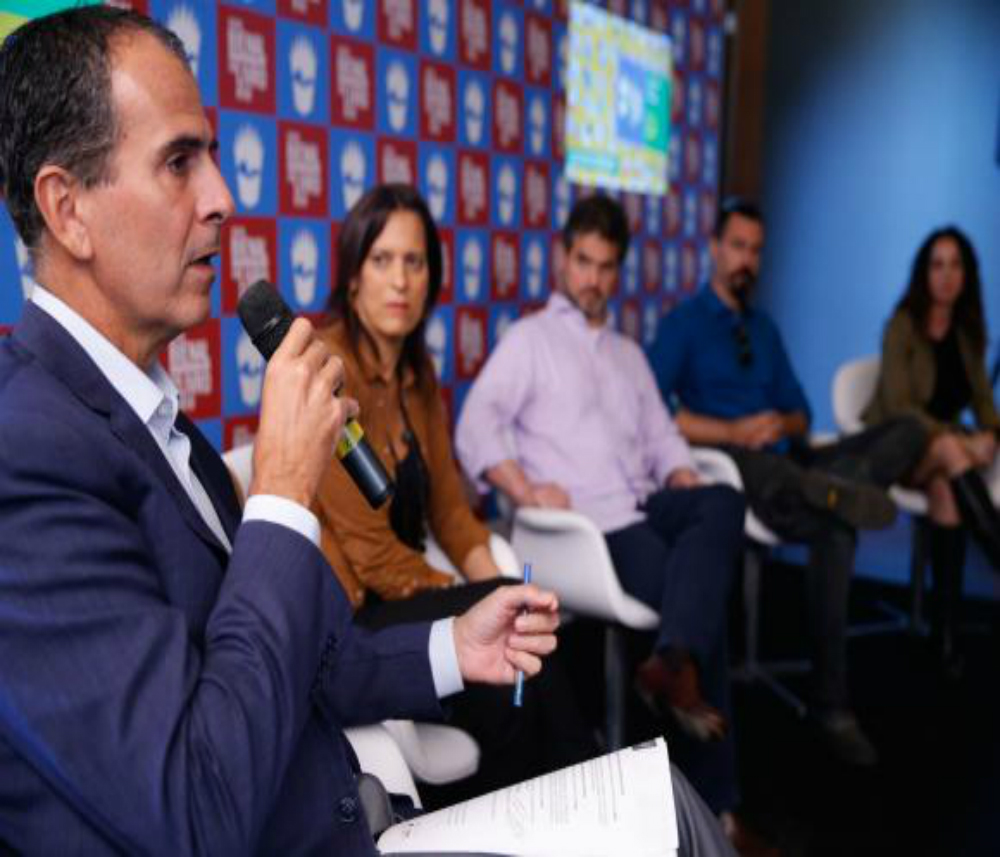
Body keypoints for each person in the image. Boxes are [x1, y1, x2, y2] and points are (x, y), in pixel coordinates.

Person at [0, 9, 736, 857]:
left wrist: (455, 647)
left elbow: (301, 660)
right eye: (178, 162)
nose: (223, 199)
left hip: (360, 804)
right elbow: (198, 808)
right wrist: (280, 492)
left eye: (210, 154)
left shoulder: (159, 423)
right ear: (69, 209)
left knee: (665, 806)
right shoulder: (27, 451)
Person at [456, 194, 768, 855]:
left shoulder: (628, 354)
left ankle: (671, 662)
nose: (593, 277)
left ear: (618, 270)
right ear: (564, 260)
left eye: (606, 266)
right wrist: (523, 484)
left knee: (720, 502)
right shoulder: (531, 340)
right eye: (584, 261)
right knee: (701, 595)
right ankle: (723, 813)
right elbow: (475, 425)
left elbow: (662, 437)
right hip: (588, 530)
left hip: (646, 504)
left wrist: (683, 473)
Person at [313, 182, 599, 799]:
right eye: (382, 260)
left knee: (521, 668)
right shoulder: (327, 370)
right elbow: (369, 555)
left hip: (407, 600)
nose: (400, 281)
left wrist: (503, 588)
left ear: (432, 279)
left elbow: (451, 512)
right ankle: (593, 795)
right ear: (353, 275)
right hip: (354, 616)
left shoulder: (418, 375)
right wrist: (475, 599)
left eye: (414, 263)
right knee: (511, 641)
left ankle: (570, 808)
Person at [648, 198, 927, 767]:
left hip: (793, 460)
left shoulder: (765, 328)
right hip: (734, 467)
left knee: (908, 431)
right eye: (737, 246)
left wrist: (779, 422)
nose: (746, 259)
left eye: (755, 250)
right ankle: (832, 705)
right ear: (714, 248)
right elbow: (652, 411)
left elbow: (801, 412)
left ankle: (838, 484)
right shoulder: (684, 324)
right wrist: (735, 428)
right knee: (824, 511)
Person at [863, 225, 1000, 673]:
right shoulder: (902, 325)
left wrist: (991, 435)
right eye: (937, 264)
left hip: (940, 459)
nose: (946, 275)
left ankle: (944, 637)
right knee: (947, 448)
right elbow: (902, 410)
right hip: (893, 447)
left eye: (955, 265)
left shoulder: (967, 334)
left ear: (967, 275)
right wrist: (962, 440)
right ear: (924, 273)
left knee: (946, 490)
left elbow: (983, 403)